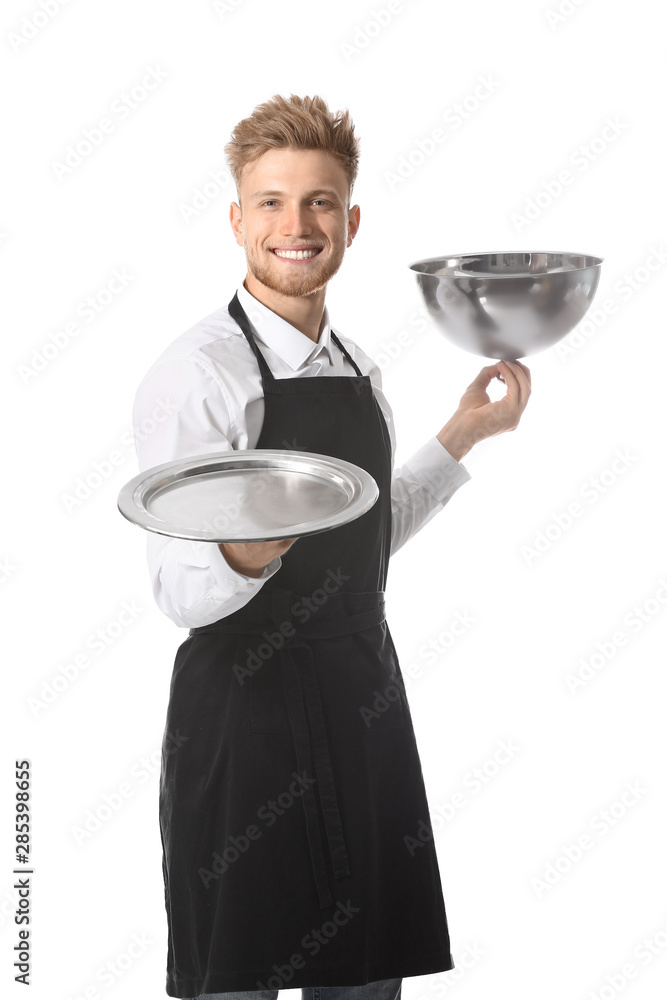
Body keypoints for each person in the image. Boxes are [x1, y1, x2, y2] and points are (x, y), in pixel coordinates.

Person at [131, 93, 531, 1000]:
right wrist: (252, 545)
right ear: (237, 220)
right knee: (237, 978)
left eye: (318, 201)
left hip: (360, 697)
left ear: (350, 221)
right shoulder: (198, 373)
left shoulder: (357, 367)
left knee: (365, 981)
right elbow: (176, 593)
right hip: (245, 713)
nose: (295, 224)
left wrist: (460, 434)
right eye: (270, 201)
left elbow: (366, 538)